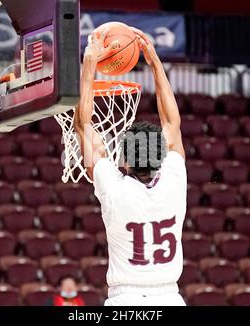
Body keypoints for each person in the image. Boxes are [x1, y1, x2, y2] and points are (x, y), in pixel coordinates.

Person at [74, 27, 187, 306]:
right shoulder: (175, 178)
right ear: (161, 155)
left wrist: (89, 63)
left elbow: (82, 124)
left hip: (127, 301)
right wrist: (154, 61)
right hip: (170, 298)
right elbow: (171, 123)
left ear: (124, 159)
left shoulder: (114, 189)